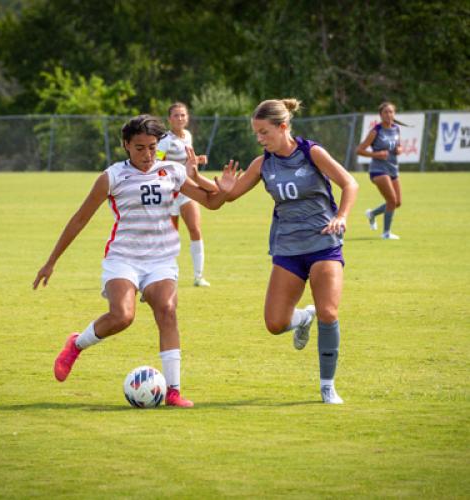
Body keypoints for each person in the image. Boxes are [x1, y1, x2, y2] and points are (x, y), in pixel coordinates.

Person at [33, 114, 238, 408]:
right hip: (124, 257)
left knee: (167, 310)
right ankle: (76, 344)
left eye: (152, 147)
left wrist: (226, 190)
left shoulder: (173, 171)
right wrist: (51, 261)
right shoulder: (112, 176)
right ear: (126, 145)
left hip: (161, 259)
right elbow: (80, 219)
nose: (147, 154)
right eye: (140, 148)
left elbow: (211, 202)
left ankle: (173, 391)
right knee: (122, 316)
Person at [188, 99, 358, 404]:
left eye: (264, 132)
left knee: (329, 313)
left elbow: (350, 183)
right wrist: (214, 183)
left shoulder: (311, 152)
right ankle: (304, 318)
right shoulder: (263, 163)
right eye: (256, 133)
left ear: (283, 127)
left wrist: (341, 216)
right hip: (288, 249)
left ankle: (327, 386)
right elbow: (227, 196)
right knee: (275, 324)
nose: (259, 139)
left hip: (324, 244)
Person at [157, 102, 211, 287]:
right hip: (169, 192)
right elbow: (156, 162)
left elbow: (188, 162)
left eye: (183, 115)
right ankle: (167, 274)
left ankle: (198, 276)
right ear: (169, 119)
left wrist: (196, 160)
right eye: (176, 115)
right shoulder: (165, 140)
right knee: (169, 236)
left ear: (187, 118)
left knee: (195, 229)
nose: (180, 118)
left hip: (186, 190)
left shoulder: (188, 136)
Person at [356, 101, 403, 240]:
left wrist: (399, 150)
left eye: (391, 112)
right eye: (385, 112)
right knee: (391, 200)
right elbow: (359, 150)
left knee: (397, 202)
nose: (389, 115)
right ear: (380, 115)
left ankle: (372, 214)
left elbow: (398, 146)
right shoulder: (375, 131)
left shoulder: (396, 129)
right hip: (378, 170)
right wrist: (375, 154)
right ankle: (386, 233)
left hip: (393, 168)